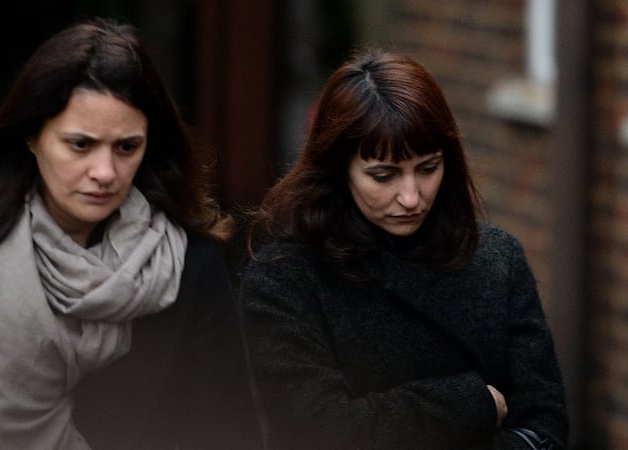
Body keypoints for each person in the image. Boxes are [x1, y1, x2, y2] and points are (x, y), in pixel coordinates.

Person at [0, 18, 261, 449]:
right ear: (32, 136)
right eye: (80, 145)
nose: (105, 172)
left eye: (126, 147)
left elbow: (230, 433)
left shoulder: (189, 266)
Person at [239, 49, 567, 449]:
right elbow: (316, 430)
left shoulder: (498, 261)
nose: (411, 197)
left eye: (428, 169)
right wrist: (470, 404)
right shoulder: (285, 282)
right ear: (338, 170)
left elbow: (545, 433)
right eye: (384, 175)